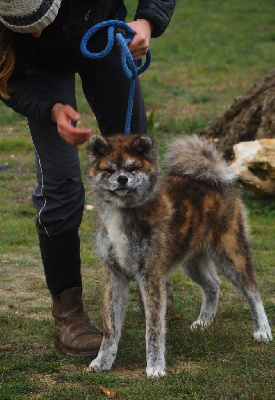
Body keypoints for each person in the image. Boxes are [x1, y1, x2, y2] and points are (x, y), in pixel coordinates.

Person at [0, 0, 176, 356]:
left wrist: (147, 21)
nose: (36, 32)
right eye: (24, 27)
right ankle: (68, 313)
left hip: (103, 34)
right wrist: (50, 110)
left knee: (137, 167)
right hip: (37, 69)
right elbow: (9, 81)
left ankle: (150, 277)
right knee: (61, 185)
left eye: (41, 21)